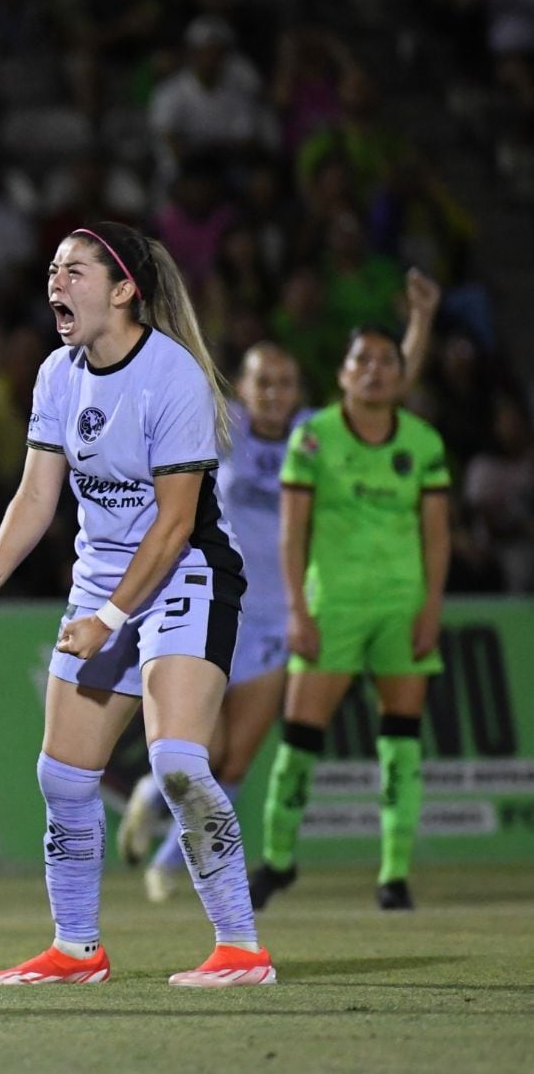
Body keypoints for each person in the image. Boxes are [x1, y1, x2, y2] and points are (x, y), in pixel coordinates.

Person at [0, 221, 274, 987]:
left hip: (185, 575)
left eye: (76, 271)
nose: (57, 282)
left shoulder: (174, 376)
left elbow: (175, 523)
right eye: (53, 269)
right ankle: (76, 948)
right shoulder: (57, 374)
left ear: (125, 289)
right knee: (62, 777)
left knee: (179, 762)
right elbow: (36, 493)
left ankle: (242, 948)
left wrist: (110, 619)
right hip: (101, 584)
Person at [124, 272, 439, 900]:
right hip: (215, 607)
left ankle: (166, 861)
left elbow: (385, 393)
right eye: (262, 382)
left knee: (237, 761)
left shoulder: (313, 435)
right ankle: (148, 799)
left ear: (299, 392)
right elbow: (184, 360)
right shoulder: (222, 426)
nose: (273, 393)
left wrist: (420, 324)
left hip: (275, 622)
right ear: (242, 388)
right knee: (201, 750)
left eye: (285, 383)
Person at [249, 326, 451, 912]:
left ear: (401, 374)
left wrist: (431, 607)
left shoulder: (424, 441)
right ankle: (280, 861)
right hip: (331, 606)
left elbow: (437, 536)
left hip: (401, 606)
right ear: (342, 374)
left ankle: (393, 874)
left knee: (401, 741)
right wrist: (298, 608)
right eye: (362, 359)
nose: (375, 370)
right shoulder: (312, 438)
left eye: (387, 361)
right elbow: (292, 532)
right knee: (300, 740)